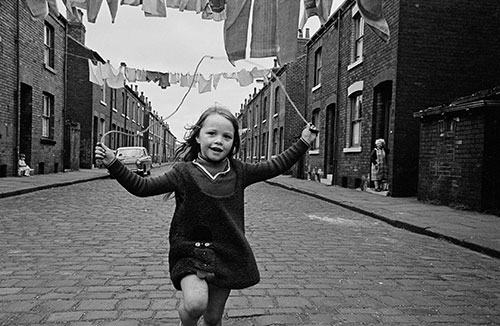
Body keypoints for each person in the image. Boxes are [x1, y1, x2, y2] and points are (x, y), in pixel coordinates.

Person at [95, 105, 318, 326]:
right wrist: (114, 164)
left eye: (227, 136)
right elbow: (142, 187)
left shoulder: (240, 172)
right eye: (211, 133)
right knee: (195, 304)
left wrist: (304, 141)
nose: (219, 140)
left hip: (227, 252)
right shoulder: (182, 173)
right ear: (198, 136)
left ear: (233, 143)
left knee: (212, 319)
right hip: (190, 250)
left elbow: (276, 165)